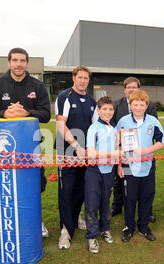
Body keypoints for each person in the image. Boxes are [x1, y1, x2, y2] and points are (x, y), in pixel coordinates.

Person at [0, 47, 51, 237]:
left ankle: (37, 220)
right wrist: (5, 113)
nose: (18, 64)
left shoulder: (37, 86)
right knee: (8, 185)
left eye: (22, 60)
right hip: (4, 149)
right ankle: (9, 221)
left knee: (35, 185)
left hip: (31, 146)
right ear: (9, 62)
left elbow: (46, 114)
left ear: (27, 63)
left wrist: (27, 112)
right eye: (15, 60)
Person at [55, 66, 97, 250]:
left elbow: (96, 128)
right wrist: (76, 146)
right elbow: (60, 125)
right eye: (79, 77)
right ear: (74, 78)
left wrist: (90, 149)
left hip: (85, 155)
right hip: (68, 153)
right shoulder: (65, 96)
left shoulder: (91, 101)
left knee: (81, 189)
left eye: (86, 78)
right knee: (66, 192)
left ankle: (75, 216)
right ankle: (65, 230)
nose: (82, 81)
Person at [117, 90, 164, 242]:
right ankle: (129, 227)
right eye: (135, 104)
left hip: (147, 166)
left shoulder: (152, 121)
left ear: (146, 106)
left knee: (146, 198)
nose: (138, 107)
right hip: (127, 166)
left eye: (142, 104)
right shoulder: (123, 121)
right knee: (129, 198)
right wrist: (119, 165)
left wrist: (146, 150)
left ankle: (144, 227)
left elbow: (162, 141)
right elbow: (117, 144)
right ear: (130, 105)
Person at [110, 77, 157, 222]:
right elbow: (112, 125)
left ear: (139, 89)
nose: (131, 90)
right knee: (121, 179)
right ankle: (117, 207)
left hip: (143, 152)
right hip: (123, 151)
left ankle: (147, 212)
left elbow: (153, 127)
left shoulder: (149, 105)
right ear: (125, 89)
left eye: (134, 87)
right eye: (129, 87)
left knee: (146, 183)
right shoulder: (117, 104)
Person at [84, 96, 119, 253]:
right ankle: (92, 235)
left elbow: (119, 151)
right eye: (104, 109)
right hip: (94, 171)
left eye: (110, 109)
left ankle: (105, 228)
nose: (108, 112)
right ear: (98, 111)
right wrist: (112, 154)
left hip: (109, 171)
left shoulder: (116, 129)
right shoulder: (93, 128)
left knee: (106, 201)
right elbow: (91, 153)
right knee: (92, 203)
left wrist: (117, 163)